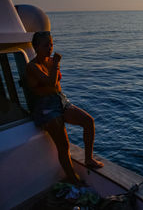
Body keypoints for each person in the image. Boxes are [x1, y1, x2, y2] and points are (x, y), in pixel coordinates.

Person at [26, 31, 103, 184]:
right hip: (45, 106)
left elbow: (56, 85)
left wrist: (54, 64)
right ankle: (73, 178)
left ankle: (88, 159)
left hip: (61, 100)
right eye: (45, 45)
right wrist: (56, 64)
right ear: (35, 47)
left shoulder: (50, 61)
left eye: (51, 44)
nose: (50, 48)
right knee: (64, 145)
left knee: (88, 121)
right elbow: (50, 83)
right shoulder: (32, 66)